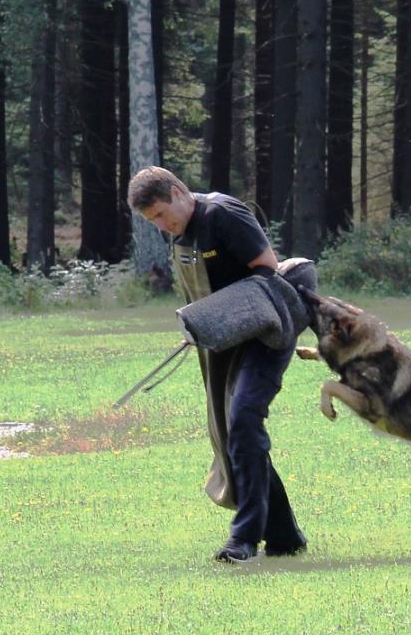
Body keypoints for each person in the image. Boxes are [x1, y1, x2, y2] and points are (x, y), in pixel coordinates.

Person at [128, 166, 308, 563]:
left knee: (242, 420)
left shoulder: (223, 215)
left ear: (177, 192)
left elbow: (267, 271)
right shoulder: (181, 232)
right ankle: (285, 536)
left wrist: (214, 317)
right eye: (152, 220)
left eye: (160, 214)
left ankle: (243, 539)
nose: (161, 225)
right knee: (233, 433)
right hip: (223, 341)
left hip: (266, 332)